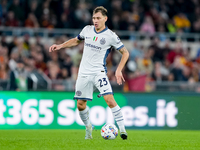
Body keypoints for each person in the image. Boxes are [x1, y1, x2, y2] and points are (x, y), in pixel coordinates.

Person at [49, 6, 129, 140]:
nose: (95, 21)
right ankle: (88, 128)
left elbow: (125, 52)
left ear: (105, 18)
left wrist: (119, 69)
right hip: (84, 73)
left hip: (99, 72)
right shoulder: (87, 29)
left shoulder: (111, 36)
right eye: (94, 18)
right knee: (80, 104)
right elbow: (76, 40)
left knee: (109, 100)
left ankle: (122, 131)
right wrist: (61, 45)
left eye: (98, 18)